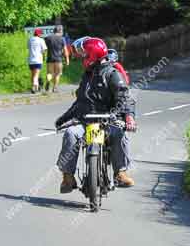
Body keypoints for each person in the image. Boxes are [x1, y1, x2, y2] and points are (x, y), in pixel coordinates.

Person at [54, 36, 137, 193]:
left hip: (108, 122)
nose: (82, 56)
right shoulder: (87, 75)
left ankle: (121, 173)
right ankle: (67, 177)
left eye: (85, 53)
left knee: (120, 134)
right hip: (86, 123)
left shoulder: (112, 74)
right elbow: (80, 102)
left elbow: (125, 96)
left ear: (92, 55)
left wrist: (129, 117)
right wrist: (63, 119)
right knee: (70, 133)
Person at [44, 25, 69, 93]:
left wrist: (43, 56)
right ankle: (55, 88)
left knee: (49, 73)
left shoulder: (48, 38)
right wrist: (67, 59)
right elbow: (65, 50)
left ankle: (48, 81)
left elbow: (44, 49)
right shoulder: (62, 39)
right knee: (57, 74)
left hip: (50, 58)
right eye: (62, 31)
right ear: (60, 31)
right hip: (58, 59)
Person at [27, 28, 47, 94]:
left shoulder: (30, 39)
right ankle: (35, 86)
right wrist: (44, 57)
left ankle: (35, 87)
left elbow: (28, 48)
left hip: (30, 60)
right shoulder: (41, 40)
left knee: (33, 74)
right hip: (38, 60)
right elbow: (44, 50)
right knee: (36, 75)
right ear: (39, 34)